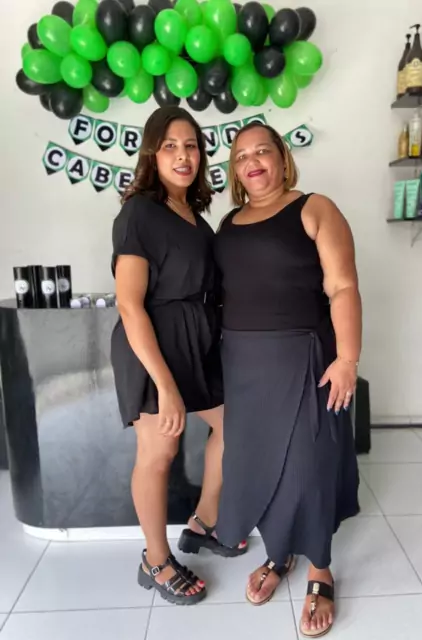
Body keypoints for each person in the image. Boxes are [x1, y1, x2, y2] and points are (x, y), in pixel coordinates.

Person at [215, 122, 361, 637]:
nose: (252, 162)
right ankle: (279, 554)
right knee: (260, 465)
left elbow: (343, 287)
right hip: (243, 365)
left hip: (303, 358)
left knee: (307, 466)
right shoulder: (228, 223)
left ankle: (320, 567)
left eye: (262, 151)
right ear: (234, 170)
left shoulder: (315, 208)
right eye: (241, 156)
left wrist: (348, 358)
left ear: (282, 158)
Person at [110, 107, 246, 607]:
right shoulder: (139, 213)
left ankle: (204, 522)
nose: (183, 155)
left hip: (197, 343)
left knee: (235, 425)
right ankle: (156, 560)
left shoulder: (193, 216)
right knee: (159, 452)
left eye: (191, 146)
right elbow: (129, 304)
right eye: (170, 146)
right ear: (152, 153)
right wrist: (165, 386)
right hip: (153, 346)